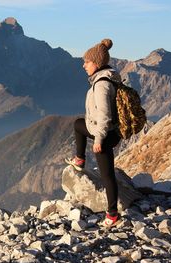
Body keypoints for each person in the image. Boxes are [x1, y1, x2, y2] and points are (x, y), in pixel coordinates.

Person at [65, 38, 122, 227]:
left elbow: (105, 115)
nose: (83, 66)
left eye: (87, 62)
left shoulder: (101, 85)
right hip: (103, 129)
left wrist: (98, 139)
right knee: (78, 124)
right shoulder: (102, 80)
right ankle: (79, 159)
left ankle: (112, 214)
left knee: (107, 175)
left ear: (96, 63)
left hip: (105, 134)